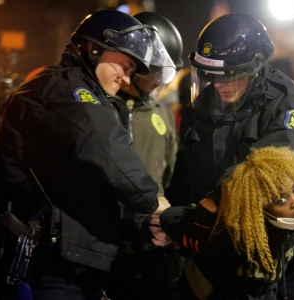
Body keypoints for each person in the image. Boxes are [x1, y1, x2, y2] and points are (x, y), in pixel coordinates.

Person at [0, 9, 173, 300]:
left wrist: (140, 225)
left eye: (131, 72)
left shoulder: (85, 96)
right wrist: (153, 201)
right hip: (42, 267)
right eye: (124, 66)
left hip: (68, 262)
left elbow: (89, 191)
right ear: (94, 48)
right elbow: (107, 148)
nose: (126, 79)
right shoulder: (63, 91)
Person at [164, 13, 294, 300]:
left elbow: (268, 170)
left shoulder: (289, 104)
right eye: (211, 76)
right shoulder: (204, 106)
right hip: (225, 249)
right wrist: (174, 219)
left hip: (287, 256)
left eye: (230, 75)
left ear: (256, 68)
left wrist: (202, 211)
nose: (220, 84)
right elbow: (189, 170)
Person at [158, 146, 294, 299]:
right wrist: (202, 214)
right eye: (281, 200)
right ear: (257, 209)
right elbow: (169, 218)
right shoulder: (226, 234)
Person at [104, 12, 183, 300]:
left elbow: (171, 176)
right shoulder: (104, 111)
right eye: (157, 73)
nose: (162, 82)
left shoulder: (161, 113)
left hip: (155, 246)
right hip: (113, 248)